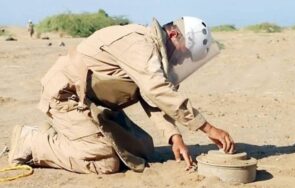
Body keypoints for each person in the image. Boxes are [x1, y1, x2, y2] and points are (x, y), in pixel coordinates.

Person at [8, 16, 235, 174]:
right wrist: (207, 128)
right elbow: (157, 90)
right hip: (66, 96)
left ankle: (70, 134)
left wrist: (174, 136)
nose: (182, 61)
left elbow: (151, 98)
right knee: (106, 162)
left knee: (143, 148)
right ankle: (32, 141)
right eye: (185, 54)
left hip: (91, 102)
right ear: (174, 34)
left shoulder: (151, 51)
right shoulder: (140, 43)